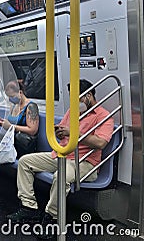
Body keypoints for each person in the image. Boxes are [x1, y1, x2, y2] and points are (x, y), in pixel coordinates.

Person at [7, 79, 114, 239]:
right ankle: (29, 207)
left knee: (60, 176)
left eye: (77, 98)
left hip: (83, 161)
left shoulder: (104, 116)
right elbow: (62, 133)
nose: (74, 102)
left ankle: (52, 218)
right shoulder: (73, 111)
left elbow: (100, 143)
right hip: (61, 154)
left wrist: (73, 134)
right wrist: (59, 133)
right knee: (25, 162)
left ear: (89, 95)